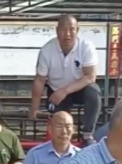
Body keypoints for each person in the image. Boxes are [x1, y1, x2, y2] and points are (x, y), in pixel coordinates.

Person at [29, 15, 102, 145]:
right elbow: (40, 80)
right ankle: (62, 141)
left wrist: (66, 90)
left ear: (77, 30)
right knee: (59, 119)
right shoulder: (47, 50)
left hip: (79, 89)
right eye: (63, 30)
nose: (67, 34)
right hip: (56, 91)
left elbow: (90, 76)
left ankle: (88, 134)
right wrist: (34, 108)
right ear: (57, 31)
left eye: (71, 29)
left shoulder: (86, 46)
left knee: (94, 91)